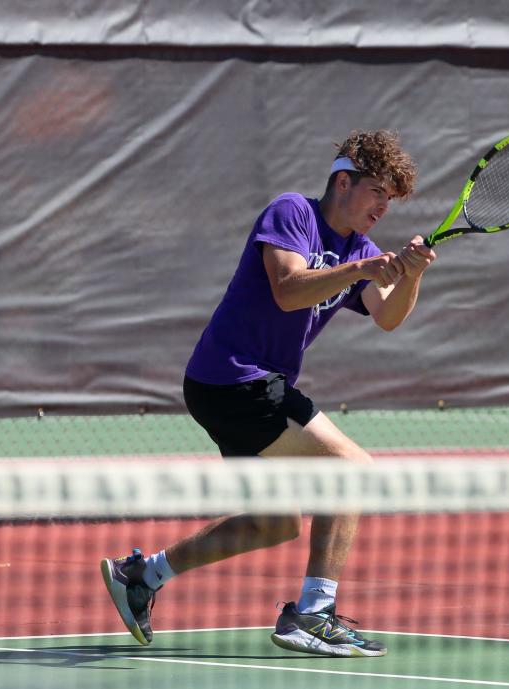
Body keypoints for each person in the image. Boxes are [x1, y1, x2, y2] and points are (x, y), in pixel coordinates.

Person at [100, 129, 435, 657]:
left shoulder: (361, 248)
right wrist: (360, 269)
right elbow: (287, 290)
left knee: (273, 523)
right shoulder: (291, 214)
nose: (382, 208)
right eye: (376, 192)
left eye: (390, 200)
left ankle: (140, 577)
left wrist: (409, 275)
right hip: (235, 377)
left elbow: (389, 316)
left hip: (238, 387)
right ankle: (313, 614)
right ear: (343, 182)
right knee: (351, 468)